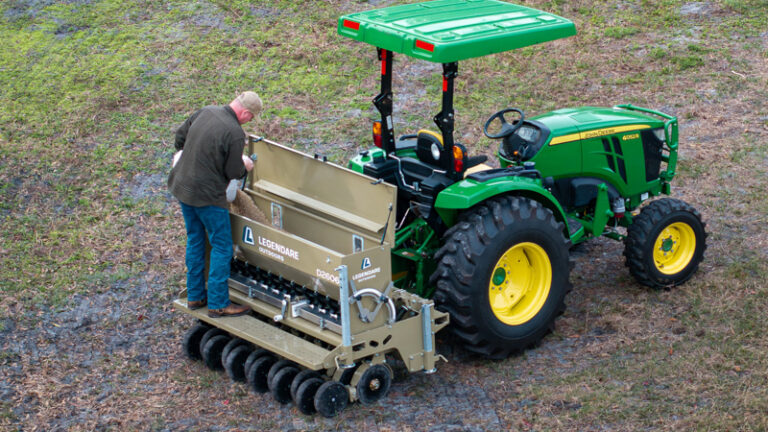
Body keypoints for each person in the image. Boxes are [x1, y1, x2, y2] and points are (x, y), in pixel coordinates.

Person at [168, 91, 262, 318]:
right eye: (251, 118)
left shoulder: (205, 111)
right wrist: (245, 166)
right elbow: (232, 172)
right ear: (246, 113)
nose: (249, 122)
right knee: (222, 246)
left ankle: (195, 295)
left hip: (182, 188)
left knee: (195, 238)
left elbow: (180, 139)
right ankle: (218, 303)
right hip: (208, 197)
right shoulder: (235, 134)